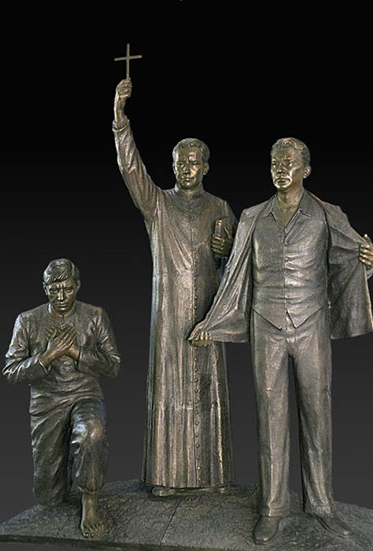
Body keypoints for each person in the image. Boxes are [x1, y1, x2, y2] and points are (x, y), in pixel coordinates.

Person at [190, 137, 373, 543]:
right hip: (266, 326)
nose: (280, 168)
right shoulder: (254, 216)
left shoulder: (326, 214)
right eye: (275, 162)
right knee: (270, 419)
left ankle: (322, 505)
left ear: (305, 170)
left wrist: (369, 262)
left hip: (311, 325)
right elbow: (235, 274)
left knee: (317, 415)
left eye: (288, 162)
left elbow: (350, 259)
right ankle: (272, 508)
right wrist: (212, 322)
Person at [113, 78, 237, 496]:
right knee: (168, 389)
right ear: (173, 166)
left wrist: (227, 249)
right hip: (168, 314)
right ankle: (166, 477)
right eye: (180, 162)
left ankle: (212, 476)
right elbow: (132, 171)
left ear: (205, 167)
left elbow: (240, 267)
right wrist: (120, 122)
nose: (186, 168)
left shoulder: (220, 207)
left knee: (207, 387)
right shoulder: (159, 204)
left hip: (208, 313)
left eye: (193, 162)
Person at [3, 259, 120, 538]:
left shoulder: (95, 316)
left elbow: (113, 366)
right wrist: (48, 356)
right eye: (54, 290)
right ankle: (59, 483)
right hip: (46, 403)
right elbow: (11, 372)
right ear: (45, 288)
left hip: (84, 394)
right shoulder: (27, 321)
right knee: (49, 497)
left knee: (92, 432)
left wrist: (76, 352)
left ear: (77, 286)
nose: (61, 296)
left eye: (67, 289)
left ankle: (90, 501)